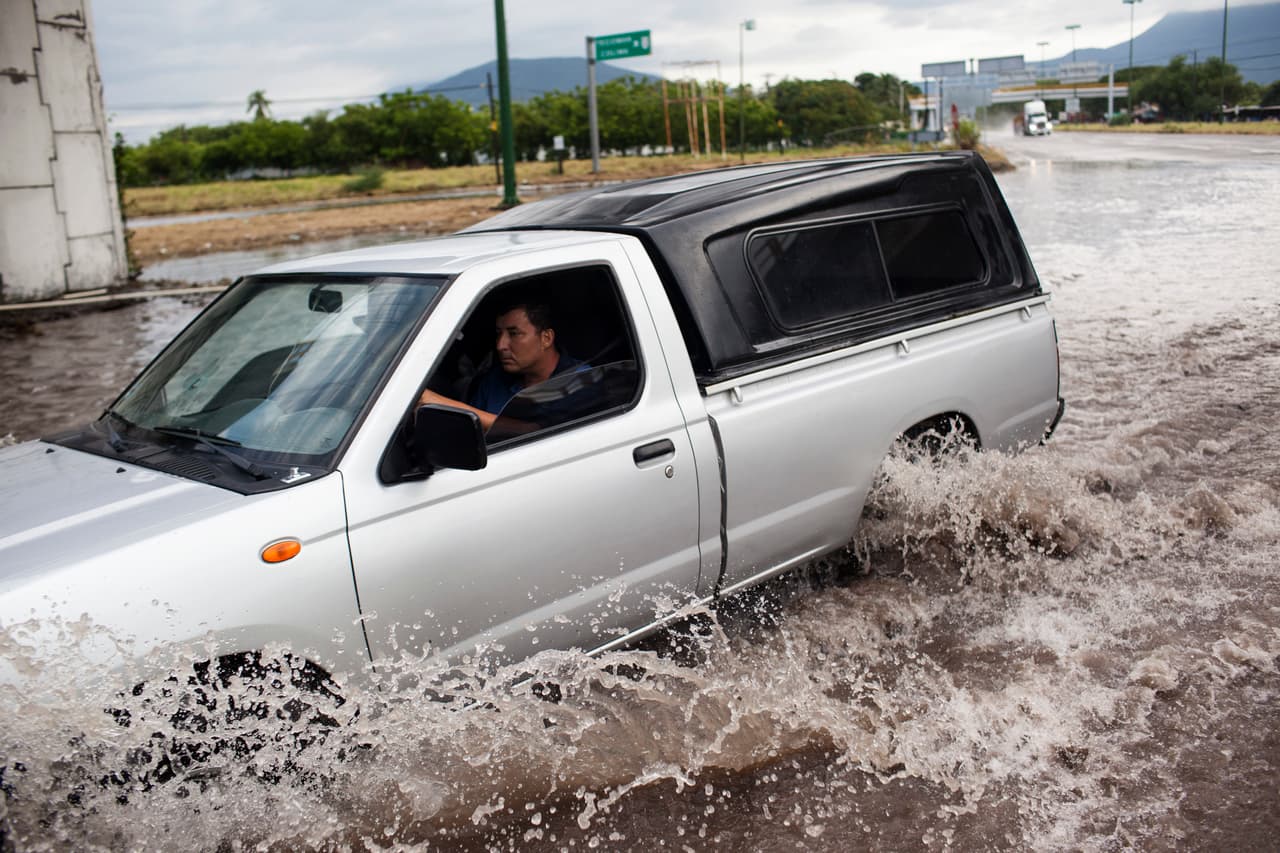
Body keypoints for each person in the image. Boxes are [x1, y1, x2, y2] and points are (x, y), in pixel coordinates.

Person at [418, 295, 582, 433]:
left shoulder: (581, 380)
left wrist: (435, 400)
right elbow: (469, 431)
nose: (500, 345)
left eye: (514, 333)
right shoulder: (494, 380)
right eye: (499, 334)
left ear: (546, 338)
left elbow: (537, 432)